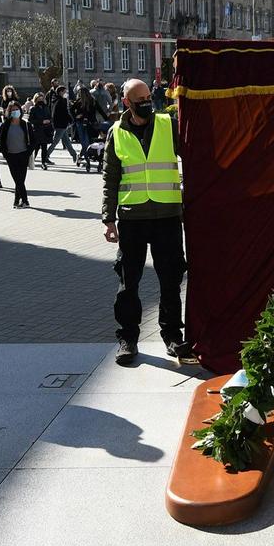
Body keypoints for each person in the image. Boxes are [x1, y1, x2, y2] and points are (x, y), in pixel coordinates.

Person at [102, 79, 194, 366]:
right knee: (129, 282)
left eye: (147, 96)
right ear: (127, 103)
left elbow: (193, 158)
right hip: (132, 218)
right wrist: (108, 218)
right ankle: (127, 339)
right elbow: (110, 178)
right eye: (139, 98)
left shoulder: (168, 124)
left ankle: (172, 336)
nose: (147, 101)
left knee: (170, 279)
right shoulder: (116, 132)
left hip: (167, 216)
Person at [1, 97, 33, 207]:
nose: (15, 112)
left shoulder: (26, 124)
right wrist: (6, 155)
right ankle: (25, 200)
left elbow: (33, 141)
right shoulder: (5, 125)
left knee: (20, 180)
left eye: (17, 109)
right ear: (9, 112)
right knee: (18, 179)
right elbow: (1, 141)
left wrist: (28, 153)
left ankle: (17, 201)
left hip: (23, 155)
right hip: (11, 156)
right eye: (13, 110)